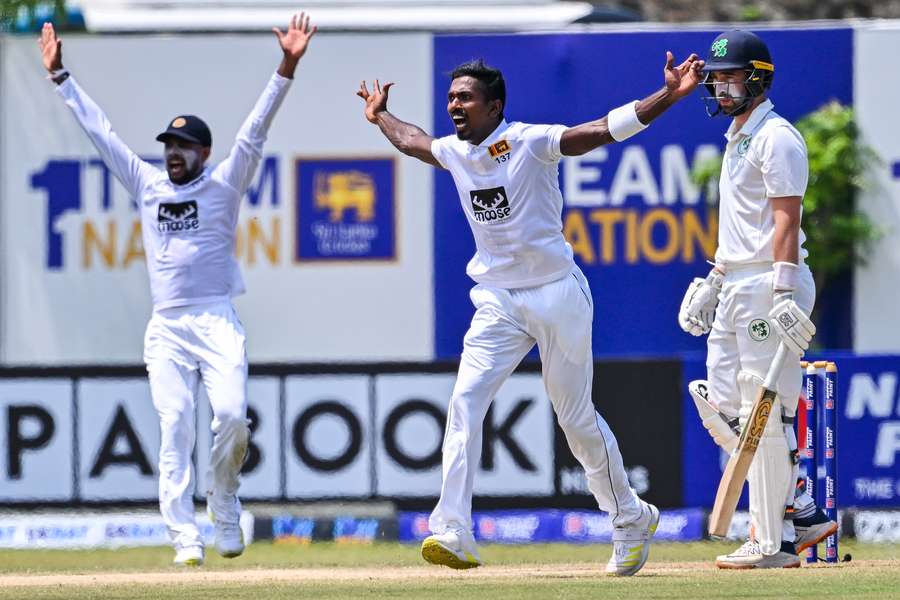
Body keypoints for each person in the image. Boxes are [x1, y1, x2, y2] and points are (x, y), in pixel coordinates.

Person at [358, 52, 703, 575]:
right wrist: (381, 114)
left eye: (466, 98)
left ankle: (628, 517)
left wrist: (668, 96)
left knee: (574, 417)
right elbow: (412, 141)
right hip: (497, 299)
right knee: (464, 403)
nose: (455, 106)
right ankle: (452, 531)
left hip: (557, 293)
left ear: (494, 105)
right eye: (451, 98)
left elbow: (601, 131)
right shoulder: (454, 150)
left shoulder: (529, 140)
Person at [38, 15, 316, 566]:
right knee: (174, 425)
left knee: (232, 416)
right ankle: (184, 536)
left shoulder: (225, 182)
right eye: (169, 143)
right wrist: (61, 77)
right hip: (166, 325)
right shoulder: (146, 182)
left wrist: (287, 64)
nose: (173, 152)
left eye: (184, 146)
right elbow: (101, 132)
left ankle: (225, 497)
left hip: (215, 320)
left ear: (204, 153)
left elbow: (255, 128)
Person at [678, 29, 837, 569]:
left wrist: (785, 291)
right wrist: (715, 279)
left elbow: (786, 221)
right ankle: (802, 508)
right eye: (716, 79)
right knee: (720, 405)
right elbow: (743, 223)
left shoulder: (778, 138)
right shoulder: (739, 136)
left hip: (771, 284)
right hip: (737, 284)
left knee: (762, 414)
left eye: (730, 78)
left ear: (757, 79)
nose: (720, 88)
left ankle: (775, 542)